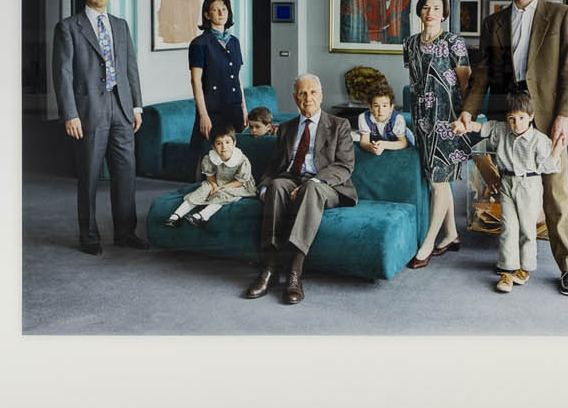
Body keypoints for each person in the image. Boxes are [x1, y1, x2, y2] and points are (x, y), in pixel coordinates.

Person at [459, 0, 568, 296]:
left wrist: (565, 115)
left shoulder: (560, 15)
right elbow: (482, 73)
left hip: (547, 119)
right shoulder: (493, 22)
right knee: (512, 194)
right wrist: (470, 110)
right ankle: (512, 262)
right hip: (508, 121)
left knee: (557, 194)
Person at [51, 0, 145, 256]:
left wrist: (136, 106)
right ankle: (89, 236)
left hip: (121, 107)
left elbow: (130, 67)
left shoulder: (120, 25)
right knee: (89, 175)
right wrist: (70, 113)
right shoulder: (68, 27)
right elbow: (63, 74)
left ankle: (125, 233)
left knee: (126, 174)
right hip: (89, 109)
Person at [244, 73, 354, 305]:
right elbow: (274, 167)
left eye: (313, 92)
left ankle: (295, 272)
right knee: (276, 185)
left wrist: (313, 182)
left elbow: (344, 166)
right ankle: (270, 269)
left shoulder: (339, 125)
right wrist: (263, 188)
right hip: (291, 178)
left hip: (326, 185)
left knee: (310, 190)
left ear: (321, 96)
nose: (308, 98)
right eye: (302, 93)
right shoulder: (286, 128)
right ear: (295, 98)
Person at [400, 0, 476, 268]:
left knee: (438, 180)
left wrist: (465, 118)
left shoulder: (454, 41)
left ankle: (429, 243)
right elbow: (416, 80)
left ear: (443, 13)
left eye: (436, 8)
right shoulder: (409, 43)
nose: (430, 12)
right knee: (435, 176)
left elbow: (466, 82)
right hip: (421, 118)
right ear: (419, 12)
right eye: (425, 7)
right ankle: (452, 235)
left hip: (448, 118)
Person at [464, 90, 556, 292]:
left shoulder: (539, 140)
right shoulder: (502, 130)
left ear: (531, 117)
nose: (516, 124)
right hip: (507, 182)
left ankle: (525, 269)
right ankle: (507, 271)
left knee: (527, 230)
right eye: (512, 119)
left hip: (529, 185)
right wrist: (466, 124)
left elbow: (549, 166)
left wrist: (557, 149)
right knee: (508, 228)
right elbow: (481, 127)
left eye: (522, 118)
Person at [161, 124, 256, 227]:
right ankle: (176, 216)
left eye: (227, 142)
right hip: (216, 181)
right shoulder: (210, 158)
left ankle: (202, 216)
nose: (224, 147)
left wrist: (220, 188)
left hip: (237, 184)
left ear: (234, 143)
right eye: (219, 143)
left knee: (223, 193)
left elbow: (240, 181)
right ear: (213, 146)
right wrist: (214, 186)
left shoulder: (241, 160)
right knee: (204, 188)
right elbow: (210, 177)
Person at [186, 0, 245, 149]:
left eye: (224, 9)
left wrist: (244, 108)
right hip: (212, 109)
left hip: (234, 107)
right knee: (206, 155)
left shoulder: (235, 42)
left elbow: (238, 77)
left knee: (235, 155)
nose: (221, 13)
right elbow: (195, 81)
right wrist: (203, 115)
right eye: (215, 9)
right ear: (207, 14)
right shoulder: (199, 44)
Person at [353, 83, 409, 155]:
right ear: (370, 107)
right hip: (378, 140)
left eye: (384, 106)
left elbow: (403, 143)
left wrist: (385, 145)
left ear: (391, 107)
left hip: (400, 138)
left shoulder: (398, 119)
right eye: (376, 106)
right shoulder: (363, 117)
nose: (380, 110)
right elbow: (364, 141)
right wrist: (371, 147)